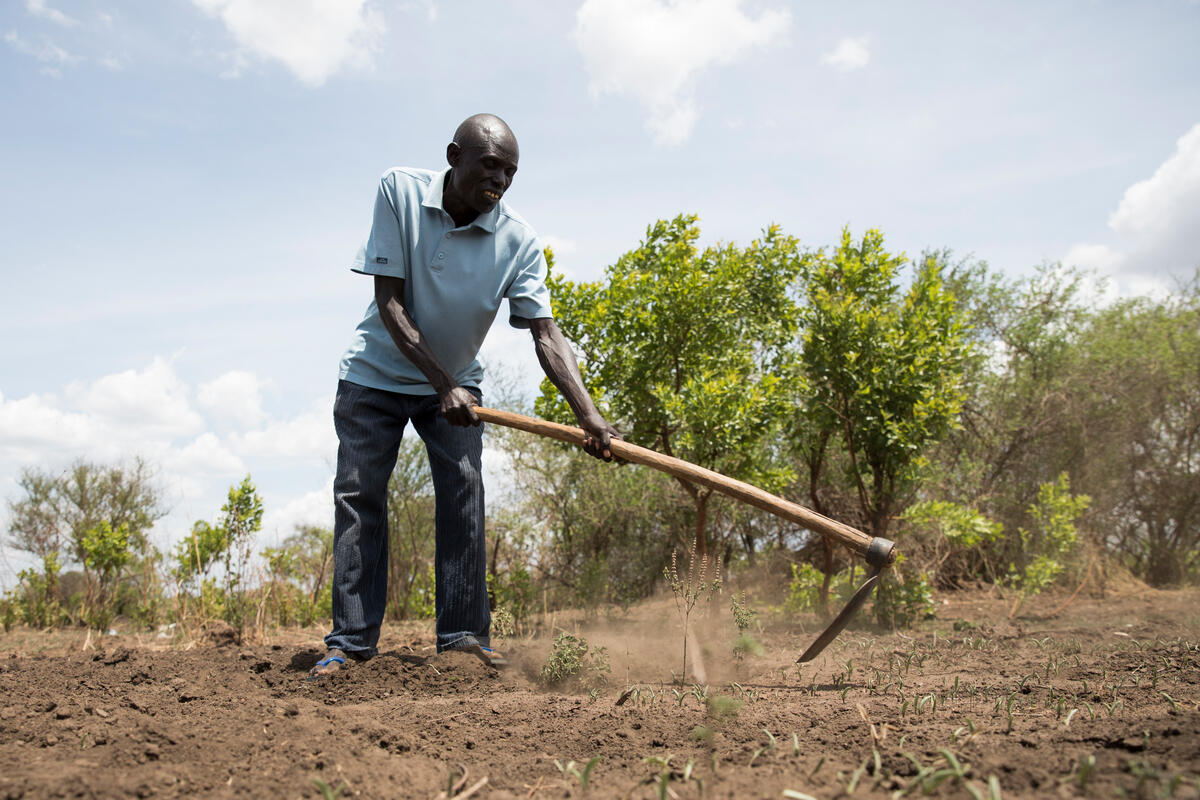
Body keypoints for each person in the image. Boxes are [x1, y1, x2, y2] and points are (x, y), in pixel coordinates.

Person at [310, 114, 618, 676]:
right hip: (374, 376)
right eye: (489, 166)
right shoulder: (398, 191)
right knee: (359, 500)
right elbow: (391, 305)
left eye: (510, 172)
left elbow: (546, 334)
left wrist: (591, 418)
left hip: (456, 386)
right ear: (455, 156)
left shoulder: (518, 240)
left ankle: (463, 639)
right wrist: (442, 383)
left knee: (464, 495)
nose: (498, 181)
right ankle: (350, 644)